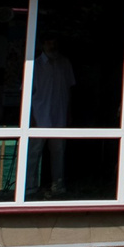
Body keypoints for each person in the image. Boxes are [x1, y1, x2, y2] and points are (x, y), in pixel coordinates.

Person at [30, 35, 77, 196]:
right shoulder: (34, 65)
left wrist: (69, 113)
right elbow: (27, 93)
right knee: (33, 153)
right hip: (39, 115)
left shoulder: (64, 64)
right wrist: (30, 117)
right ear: (43, 44)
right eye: (49, 41)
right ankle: (28, 188)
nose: (52, 45)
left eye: (54, 42)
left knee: (59, 152)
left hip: (59, 114)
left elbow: (69, 90)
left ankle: (58, 185)